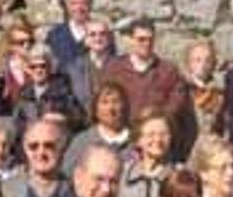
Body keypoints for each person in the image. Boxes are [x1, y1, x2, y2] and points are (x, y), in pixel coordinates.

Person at [99, 18, 190, 161]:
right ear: (130, 40)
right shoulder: (114, 69)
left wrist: (154, 121)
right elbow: (103, 100)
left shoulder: (168, 71)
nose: (146, 44)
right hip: (122, 139)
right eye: (141, 39)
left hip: (155, 141)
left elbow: (176, 104)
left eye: (150, 39)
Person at [120, 109, 178, 197]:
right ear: (139, 140)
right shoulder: (122, 175)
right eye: (150, 134)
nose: (157, 140)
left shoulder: (179, 175)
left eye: (163, 134)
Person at [63, 82, 132, 175]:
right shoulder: (82, 141)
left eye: (116, 101)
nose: (110, 108)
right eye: (104, 102)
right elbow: (66, 175)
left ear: (125, 106)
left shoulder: (136, 140)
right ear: (96, 110)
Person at [12, 44, 85, 133]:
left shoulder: (63, 91)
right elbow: (16, 122)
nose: (38, 70)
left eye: (42, 66)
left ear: (50, 67)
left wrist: (62, 119)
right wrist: (28, 127)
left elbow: (80, 119)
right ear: (28, 69)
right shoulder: (24, 93)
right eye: (33, 67)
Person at [179, 38, 223, 141]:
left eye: (207, 60)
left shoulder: (219, 92)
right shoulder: (182, 89)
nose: (203, 65)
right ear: (189, 63)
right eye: (197, 60)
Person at [45, 0, 101, 70]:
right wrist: (82, 46)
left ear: (90, 5)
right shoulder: (55, 35)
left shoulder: (102, 33)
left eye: (83, 3)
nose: (79, 7)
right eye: (73, 3)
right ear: (66, 6)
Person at [0, 18, 37, 106]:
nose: (26, 46)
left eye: (30, 41)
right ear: (10, 44)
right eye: (21, 42)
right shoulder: (3, 65)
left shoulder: (41, 63)